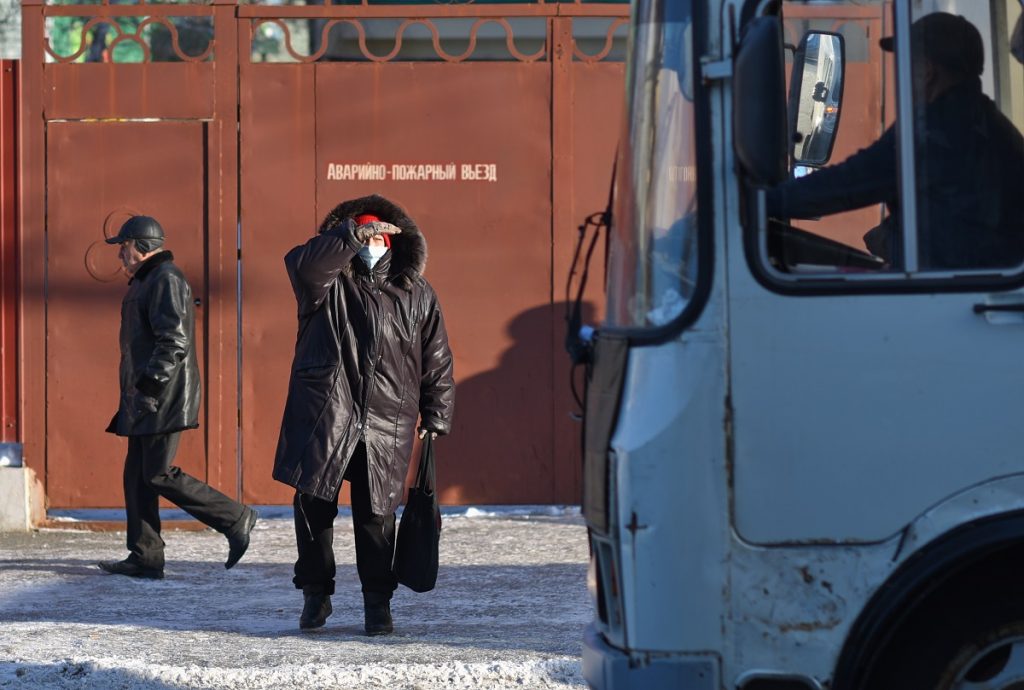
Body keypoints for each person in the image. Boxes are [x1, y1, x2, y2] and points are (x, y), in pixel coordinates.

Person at [273, 194, 455, 636]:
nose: (372, 244)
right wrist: (350, 237)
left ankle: (378, 603)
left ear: (394, 243)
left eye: (378, 238)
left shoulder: (416, 291)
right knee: (313, 504)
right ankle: (315, 593)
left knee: (377, 514)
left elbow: (436, 357)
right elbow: (301, 265)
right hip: (327, 411)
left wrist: (437, 412)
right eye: (364, 236)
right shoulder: (327, 280)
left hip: (386, 417)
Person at [768, 12, 1024, 270]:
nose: (902, 76)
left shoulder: (935, 129)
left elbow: (850, 183)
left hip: (947, 286)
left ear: (927, 72)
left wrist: (765, 201)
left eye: (907, 64)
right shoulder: (987, 124)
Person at [99, 215, 258, 580]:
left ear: (141, 246)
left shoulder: (165, 279)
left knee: (157, 474)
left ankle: (235, 517)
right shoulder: (146, 280)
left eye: (124, 245)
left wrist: (149, 389)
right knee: (137, 477)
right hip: (143, 397)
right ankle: (146, 556)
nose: (120, 253)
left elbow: (174, 341)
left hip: (162, 396)